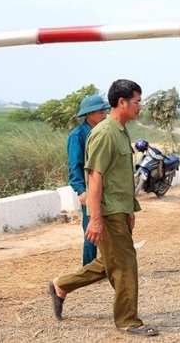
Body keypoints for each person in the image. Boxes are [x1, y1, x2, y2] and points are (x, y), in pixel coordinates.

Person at [49, 79, 159, 337]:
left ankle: (60, 285)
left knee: (108, 262)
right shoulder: (104, 133)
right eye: (137, 101)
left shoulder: (120, 131)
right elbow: (95, 178)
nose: (139, 107)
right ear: (122, 102)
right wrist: (95, 219)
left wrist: (130, 209)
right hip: (107, 212)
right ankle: (127, 319)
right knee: (124, 263)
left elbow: (119, 177)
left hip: (118, 210)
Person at [67, 94, 110, 266]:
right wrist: (81, 190)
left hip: (107, 188)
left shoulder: (105, 132)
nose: (103, 115)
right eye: (100, 112)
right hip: (89, 189)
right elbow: (74, 165)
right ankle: (89, 268)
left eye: (104, 111)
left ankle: (107, 266)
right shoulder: (77, 136)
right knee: (91, 231)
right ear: (89, 114)